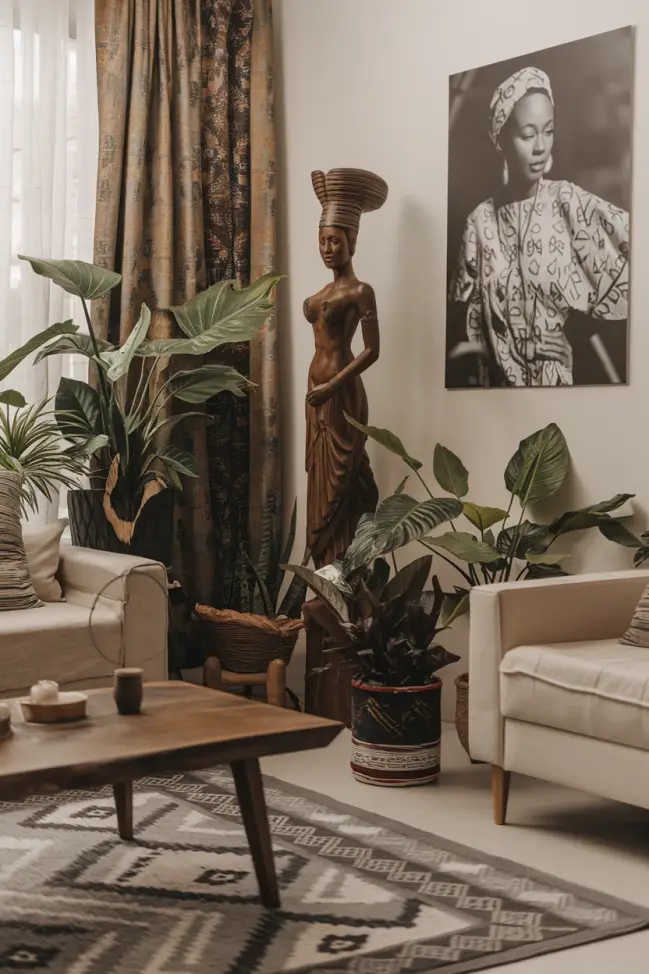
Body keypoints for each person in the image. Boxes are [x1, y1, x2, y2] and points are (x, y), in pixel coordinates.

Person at [449, 66, 629, 387]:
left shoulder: (569, 201)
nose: (540, 147)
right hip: (492, 398)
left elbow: (632, 260)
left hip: (557, 390)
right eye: (528, 134)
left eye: (548, 131)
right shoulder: (480, 221)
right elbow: (462, 326)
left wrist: (573, 336)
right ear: (501, 138)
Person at [304, 168, 388, 568]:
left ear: (352, 241)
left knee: (342, 481)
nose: (327, 248)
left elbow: (371, 351)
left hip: (341, 397)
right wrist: (317, 392)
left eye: (334, 240)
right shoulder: (321, 293)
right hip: (316, 399)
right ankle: (326, 578)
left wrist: (332, 387)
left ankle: (348, 570)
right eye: (322, 240)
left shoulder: (360, 291)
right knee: (319, 483)